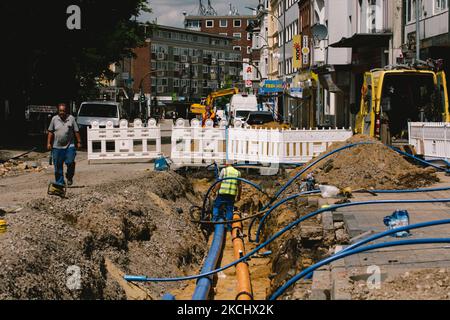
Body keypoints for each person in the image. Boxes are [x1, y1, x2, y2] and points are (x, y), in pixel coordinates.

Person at [47, 103, 82, 186]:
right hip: (57, 146)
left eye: (63, 111)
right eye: (60, 111)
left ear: (66, 111)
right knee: (58, 166)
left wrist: (79, 142)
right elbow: (50, 131)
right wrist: (48, 143)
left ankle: (69, 176)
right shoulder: (54, 119)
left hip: (70, 145)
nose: (62, 112)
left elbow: (76, 131)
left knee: (70, 162)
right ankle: (60, 183)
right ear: (58, 111)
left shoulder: (71, 119)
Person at [212, 161, 242, 230]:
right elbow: (239, 186)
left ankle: (213, 223)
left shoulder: (224, 170)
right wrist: (239, 196)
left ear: (228, 164)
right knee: (229, 210)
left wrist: (214, 191)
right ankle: (229, 227)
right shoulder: (238, 173)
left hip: (222, 193)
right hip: (231, 195)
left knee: (216, 206)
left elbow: (219, 182)